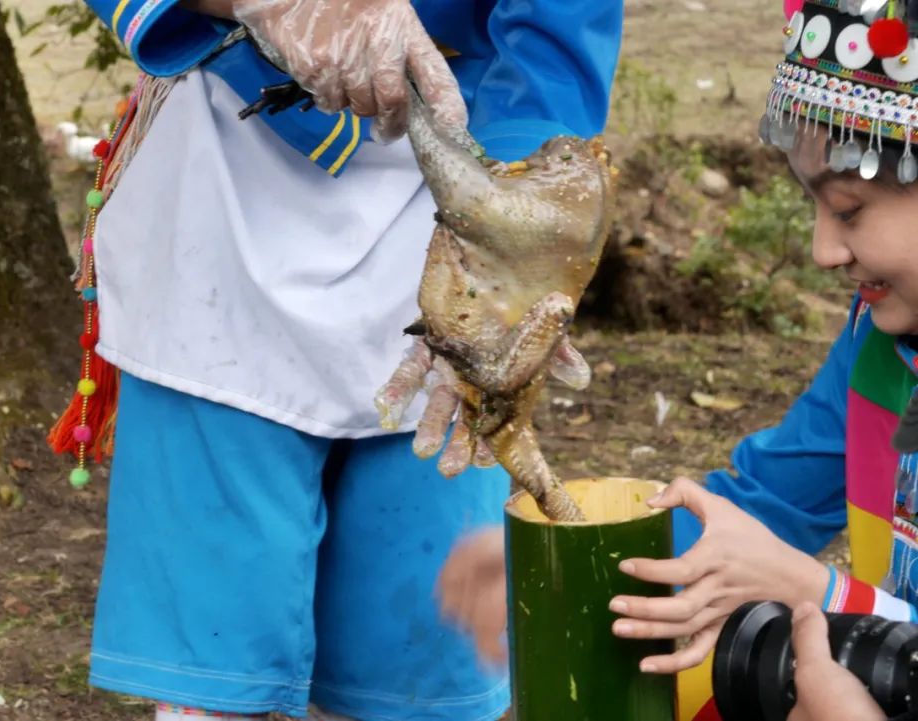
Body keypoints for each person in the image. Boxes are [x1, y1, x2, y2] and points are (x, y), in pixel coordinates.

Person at [55, 0, 622, 719]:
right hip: (220, 203)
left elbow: (556, 34)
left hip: (468, 209)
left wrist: (520, 238)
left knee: (421, 677)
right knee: (217, 686)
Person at [437, 1, 918, 719]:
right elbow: (767, 500)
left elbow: (785, 566)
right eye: (812, 208)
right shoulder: (878, 346)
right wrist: (578, 563)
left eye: (848, 210)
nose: (823, 250)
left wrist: (810, 591)